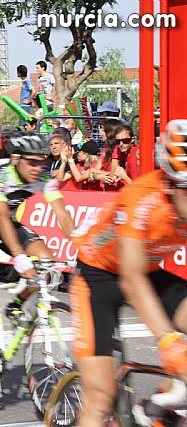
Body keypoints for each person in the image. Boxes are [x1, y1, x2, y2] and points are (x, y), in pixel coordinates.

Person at [69, 120, 187, 426]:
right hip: (99, 276)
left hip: (149, 273)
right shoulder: (142, 198)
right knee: (101, 397)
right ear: (170, 184)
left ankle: (159, 407)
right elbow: (131, 280)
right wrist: (169, 342)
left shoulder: (178, 197)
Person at [0, 131, 75, 396]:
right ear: (15, 158)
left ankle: (18, 303)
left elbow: (62, 212)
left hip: (6, 223)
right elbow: (0, 217)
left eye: (42, 162)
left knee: (47, 264)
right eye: (32, 162)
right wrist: (20, 258)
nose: (38, 168)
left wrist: (83, 245)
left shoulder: (44, 177)